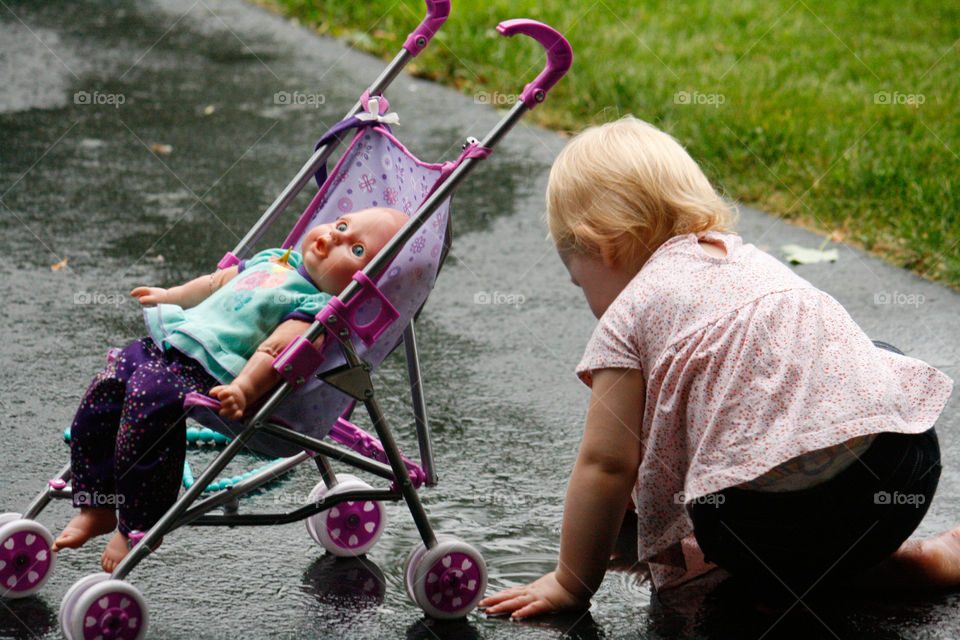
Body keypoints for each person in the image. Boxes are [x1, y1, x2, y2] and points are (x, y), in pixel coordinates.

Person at [479, 116, 957, 618]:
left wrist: (570, 582)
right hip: (899, 465)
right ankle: (894, 562)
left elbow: (606, 464)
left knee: (742, 525)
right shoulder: (745, 260)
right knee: (868, 356)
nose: (589, 303)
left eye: (579, 282)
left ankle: (834, 573)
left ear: (601, 247)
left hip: (775, 524)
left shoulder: (627, 314)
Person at [51, 207, 407, 572]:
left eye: (356, 249)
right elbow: (213, 284)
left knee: (148, 409)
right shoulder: (275, 258)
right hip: (173, 340)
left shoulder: (314, 309)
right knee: (105, 390)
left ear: (363, 286)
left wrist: (243, 389)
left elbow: (275, 353)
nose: (333, 236)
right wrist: (171, 294)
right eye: (341, 225)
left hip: (208, 371)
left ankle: (139, 525)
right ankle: (96, 503)